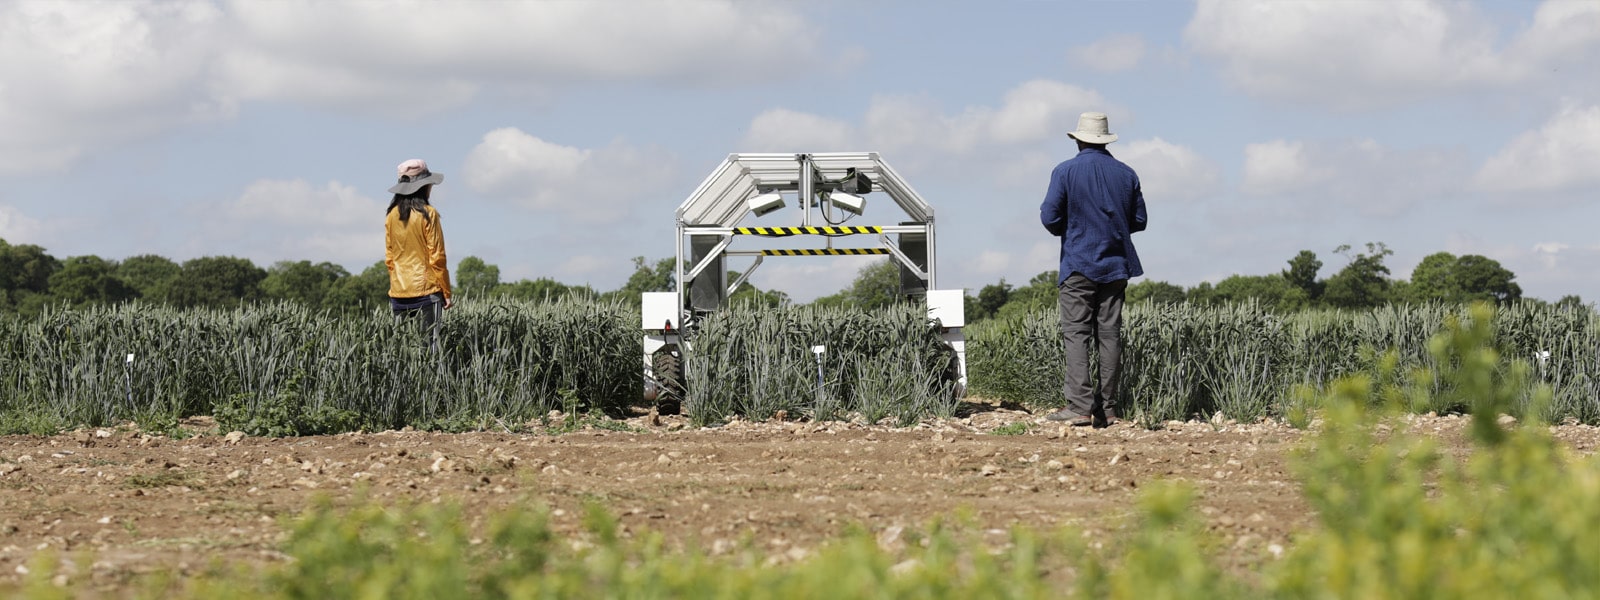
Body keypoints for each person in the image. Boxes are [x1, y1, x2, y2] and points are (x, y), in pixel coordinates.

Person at [1038, 112, 1147, 428]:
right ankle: (1108, 409)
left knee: (1076, 334)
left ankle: (1080, 407)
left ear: (1078, 139)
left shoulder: (1065, 171)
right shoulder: (1127, 174)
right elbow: (1139, 221)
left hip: (1078, 263)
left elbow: (1049, 217)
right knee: (1110, 335)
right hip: (1116, 265)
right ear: (1106, 139)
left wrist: (1072, 230)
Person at [384, 158, 452, 350]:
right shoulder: (428, 214)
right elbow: (437, 256)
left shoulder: (391, 216)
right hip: (427, 291)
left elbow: (390, 259)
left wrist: (397, 282)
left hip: (398, 292)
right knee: (431, 347)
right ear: (423, 186)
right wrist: (446, 292)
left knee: (400, 351)